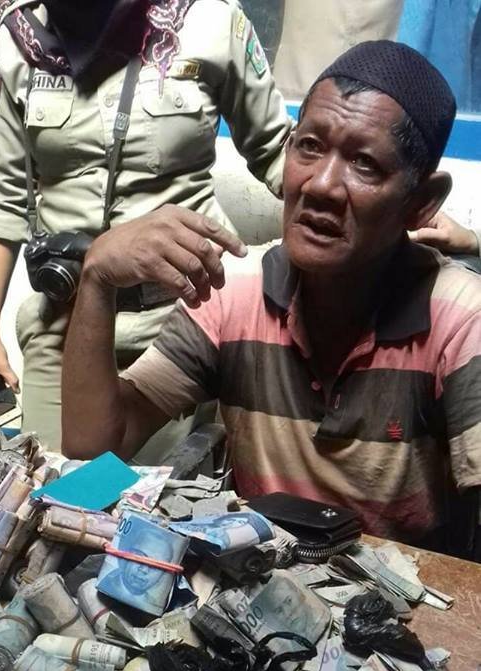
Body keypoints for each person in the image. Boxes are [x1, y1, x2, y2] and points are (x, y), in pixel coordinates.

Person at [62, 40, 481, 557]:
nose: (321, 185)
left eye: (364, 163)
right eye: (309, 146)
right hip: (258, 586)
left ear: (422, 202)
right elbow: (94, 448)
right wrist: (97, 279)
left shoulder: (461, 320)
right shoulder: (232, 290)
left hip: (403, 600)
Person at [0, 0, 292, 456]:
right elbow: (1, 193)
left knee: (159, 495)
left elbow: (279, 153)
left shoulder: (211, 21)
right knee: (57, 486)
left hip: (179, 325)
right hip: (66, 323)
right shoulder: (20, 33)